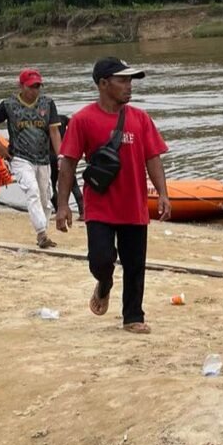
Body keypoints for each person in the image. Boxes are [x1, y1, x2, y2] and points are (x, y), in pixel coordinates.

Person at [56, 57, 171, 335]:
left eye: (131, 80)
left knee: (135, 264)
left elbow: (152, 158)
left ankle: (133, 315)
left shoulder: (140, 118)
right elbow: (68, 163)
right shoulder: (83, 120)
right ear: (103, 84)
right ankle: (104, 283)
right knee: (100, 259)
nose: (129, 86)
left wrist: (164, 194)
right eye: (122, 80)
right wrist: (62, 206)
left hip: (134, 205)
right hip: (99, 206)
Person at [0, 68, 62, 249]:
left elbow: (54, 131)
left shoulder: (47, 103)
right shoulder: (9, 104)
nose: (35, 90)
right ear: (21, 86)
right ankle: (41, 233)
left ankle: (43, 232)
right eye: (31, 87)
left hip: (43, 158)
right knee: (32, 191)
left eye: (37, 86)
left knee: (45, 198)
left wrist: (61, 157)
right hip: (19, 157)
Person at [50, 115, 85, 221]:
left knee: (50, 186)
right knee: (73, 184)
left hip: (50, 155)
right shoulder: (64, 118)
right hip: (65, 154)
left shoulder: (48, 119)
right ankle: (83, 211)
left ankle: (58, 210)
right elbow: (75, 127)